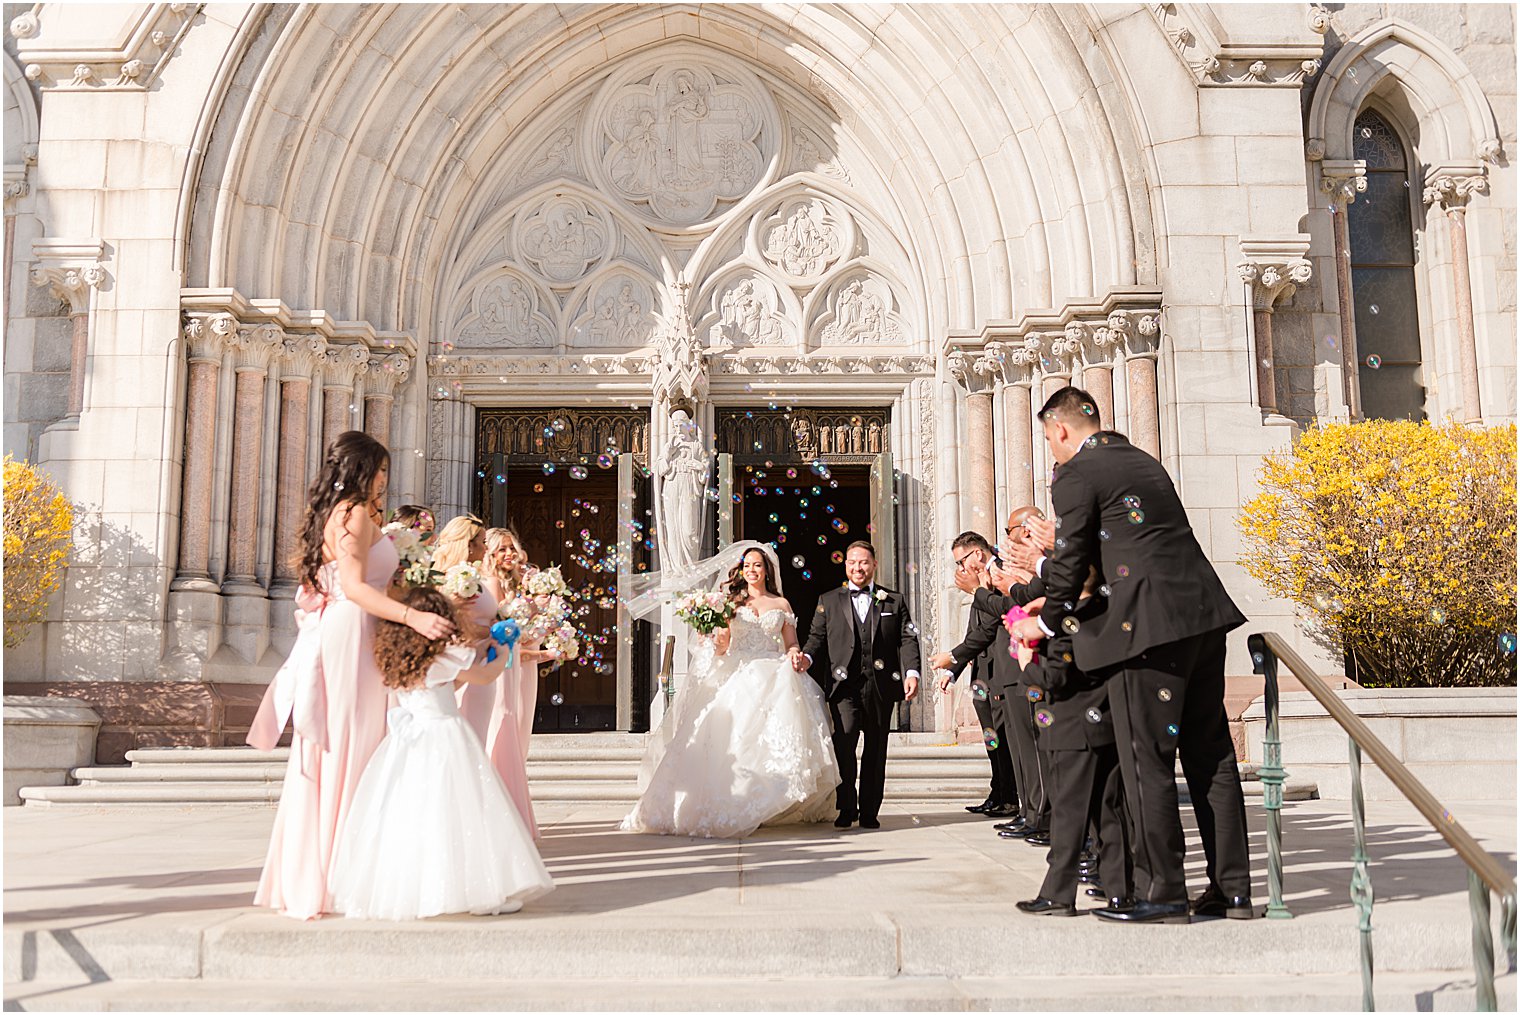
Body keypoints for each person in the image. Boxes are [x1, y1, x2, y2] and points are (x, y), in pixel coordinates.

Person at [1008, 386, 1251, 925]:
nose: (1051, 450)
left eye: (1049, 438)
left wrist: (1039, 624)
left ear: (1062, 429)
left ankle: (1162, 893)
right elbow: (1128, 545)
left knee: (1147, 761)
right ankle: (1233, 890)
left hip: (1144, 631)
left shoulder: (1075, 473)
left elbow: (1074, 571)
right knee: (1210, 755)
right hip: (1203, 619)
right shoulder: (1142, 461)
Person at [251, 431, 454, 920]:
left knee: (343, 743)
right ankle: (342, 872)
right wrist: (415, 618)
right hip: (354, 630)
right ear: (364, 468)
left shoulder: (339, 512)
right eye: (381, 469)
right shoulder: (356, 513)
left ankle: (326, 871)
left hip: (348, 630)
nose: (385, 478)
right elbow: (355, 588)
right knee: (355, 744)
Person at [330, 586, 553, 920]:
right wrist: (503, 654)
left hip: (407, 742)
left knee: (413, 812)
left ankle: (413, 892)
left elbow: (447, 686)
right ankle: (480, 893)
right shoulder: (443, 657)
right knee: (461, 809)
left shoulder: (396, 662)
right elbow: (482, 676)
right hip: (446, 736)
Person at [622, 542, 839, 838]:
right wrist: (708, 635)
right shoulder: (730, 603)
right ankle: (741, 800)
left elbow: (791, 642)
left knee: (769, 741)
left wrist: (794, 654)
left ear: (767, 570)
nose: (752, 570)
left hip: (775, 674)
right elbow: (723, 648)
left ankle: (765, 802)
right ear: (740, 570)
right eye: (747, 565)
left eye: (758, 565)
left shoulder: (781, 604)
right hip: (739, 674)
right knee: (738, 739)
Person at [1014, 572, 1134, 917]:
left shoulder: (1069, 622)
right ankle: (1120, 891)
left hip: (1071, 728)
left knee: (1068, 815)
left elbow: (1055, 678)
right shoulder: (1104, 610)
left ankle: (1058, 894)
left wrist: (1027, 665)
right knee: (1108, 814)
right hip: (1103, 725)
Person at [793, 541, 922, 830]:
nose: (857, 568)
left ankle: (869, 812)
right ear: (845, 565)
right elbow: (816, 639)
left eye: (863, 562)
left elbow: (907, 639)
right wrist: (807, 659)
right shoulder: (828, 600)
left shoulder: (894, 600)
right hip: (843, 687)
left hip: (880, 686)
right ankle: (846, 806)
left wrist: (911, 672)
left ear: (874, 564)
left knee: (876, 750)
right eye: (852, 562)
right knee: (845, 742)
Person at [926, 531, 1018, 820]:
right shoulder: (979, 585)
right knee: (992, 739)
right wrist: (953, 671)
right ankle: (999, 793)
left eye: (962, 561)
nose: (960, 570)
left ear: (978, 553)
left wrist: (951, 655)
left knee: (1005, 739)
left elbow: (989, 628)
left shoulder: (1001, 574)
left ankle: (1012, 798)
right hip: (983, 674)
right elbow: (973, 631)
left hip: (1002, 672)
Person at [477, 526, 552, 837]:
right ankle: (501, 810)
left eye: (512, 548)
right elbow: (501, 630)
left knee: (519, 732)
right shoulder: (491, 582)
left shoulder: (515, 584)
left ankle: (508, 806)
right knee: (505, 726)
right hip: (505, 668)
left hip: (519, 666)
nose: (509, 554)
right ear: (490, 553)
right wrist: (535, 609)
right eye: (502, 548)